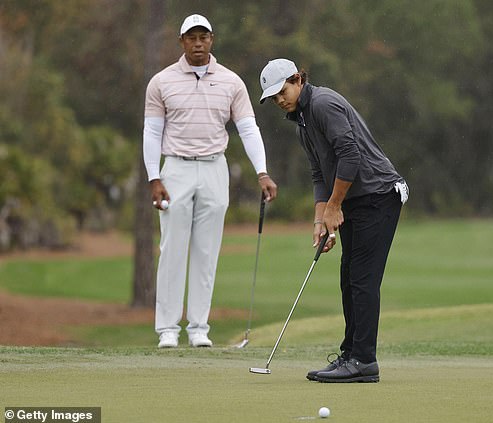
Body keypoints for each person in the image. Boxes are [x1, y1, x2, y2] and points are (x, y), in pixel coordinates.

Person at [259, 58, 408, 382]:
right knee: (348, 277)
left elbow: (350, 155)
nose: (279, 100)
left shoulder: (324, 104)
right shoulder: (302, 122)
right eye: (273, 98)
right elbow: (320, 174)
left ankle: (364, 361)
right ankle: (351, 355)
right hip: (358, 199)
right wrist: (319, 220)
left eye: (282, 91)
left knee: (362, 280)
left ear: (298, 79)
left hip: (378, 194)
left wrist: (334, 207)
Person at [143, 14, 277, 349]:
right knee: (172, 248)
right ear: (182, 42)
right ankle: (168, 329)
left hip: (214, 168)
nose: (198, 43)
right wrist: (153, 176)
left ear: (212, 40)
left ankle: (199, 327)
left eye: (204, 37)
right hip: (175, 168)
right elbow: (152, 132)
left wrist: (261, 171)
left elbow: (248, 128)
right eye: (192, 38)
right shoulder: (161, 82)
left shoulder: (231, 82)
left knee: (207, 250)